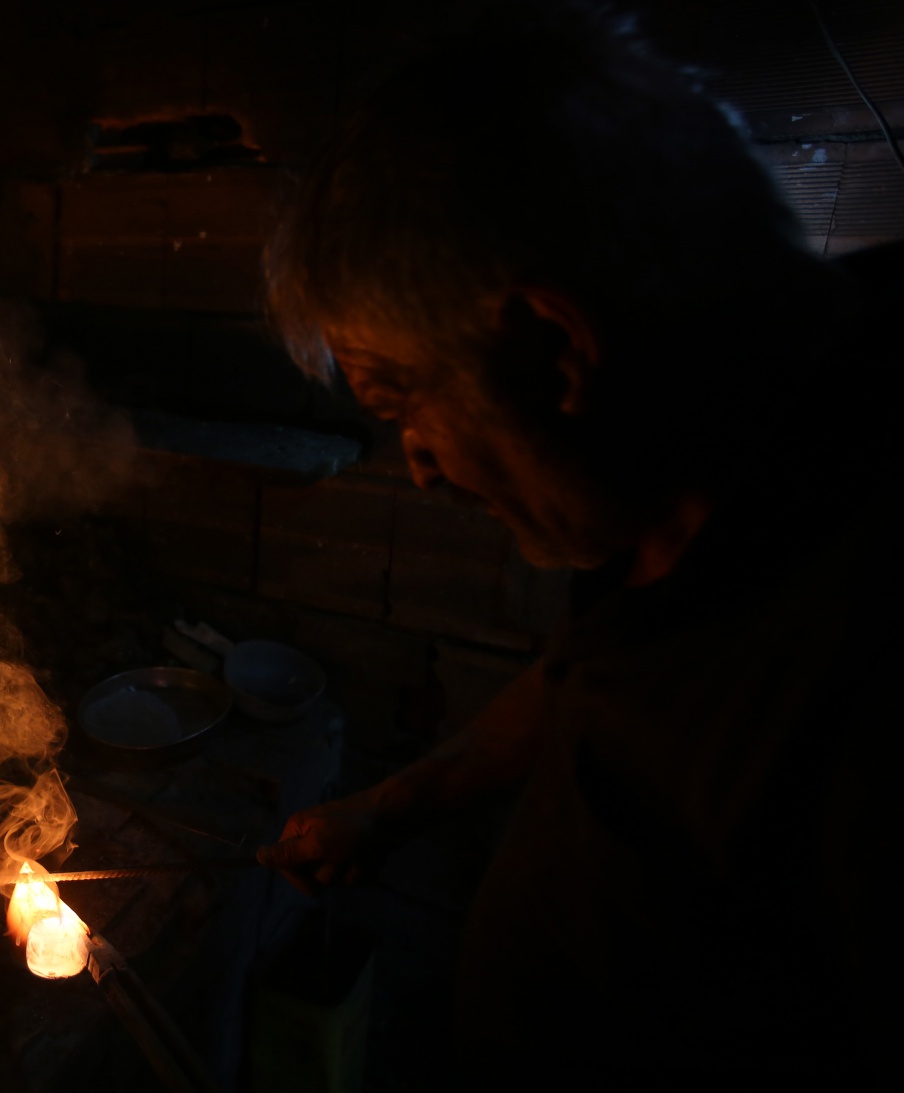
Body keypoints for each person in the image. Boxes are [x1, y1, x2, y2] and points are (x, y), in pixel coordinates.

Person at [256, 4, 899, 1089]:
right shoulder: (672, 484)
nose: (415, 463)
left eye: (398, 402)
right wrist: (390, 806)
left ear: (554, 351)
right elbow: (593, 680)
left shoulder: (862, 671)